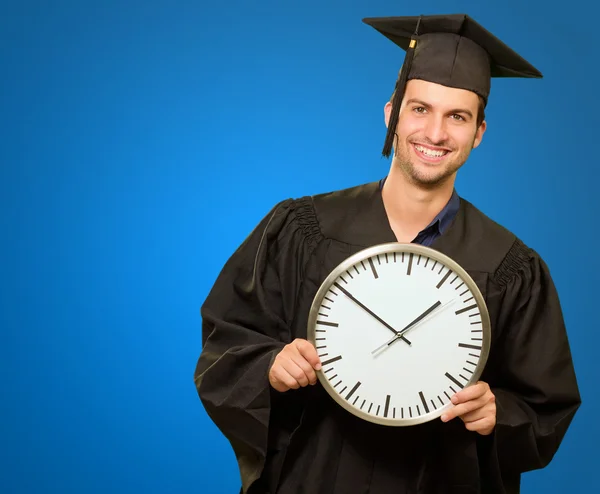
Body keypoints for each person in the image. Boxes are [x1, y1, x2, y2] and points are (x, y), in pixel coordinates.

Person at [194, 13, 581, 494]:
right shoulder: (302, 229)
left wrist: (498, 414)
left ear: (479, 132)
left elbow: (545, 408)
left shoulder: (511, 268)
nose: (435, 133)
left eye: (457, 116)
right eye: (420, 109)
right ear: (391, 113)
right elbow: (225, 343)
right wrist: (269, 367)